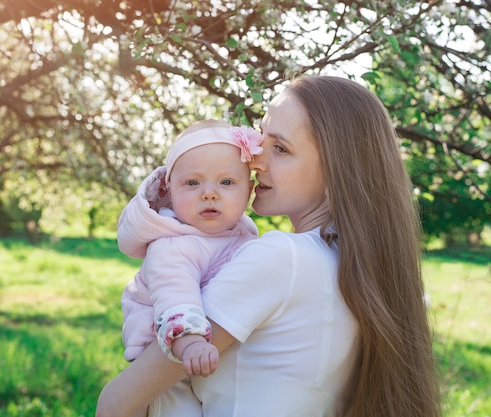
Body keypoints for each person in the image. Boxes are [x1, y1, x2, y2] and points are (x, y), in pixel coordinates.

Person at [96, 75, 442, 417]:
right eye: (260, 141)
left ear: (337, 170)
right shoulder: (354, 266)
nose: (255, 160)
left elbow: (117, 403)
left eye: (280, 149)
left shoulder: (281, 258)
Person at [117, 119, 263, 417]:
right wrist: (191, 343)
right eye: (192, 183)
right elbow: (175, 295)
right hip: (163, 357)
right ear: (170, 189)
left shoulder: (241, 233)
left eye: (226, 182)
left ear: (248, 191)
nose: (209, 193)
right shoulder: (173, 245)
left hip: (205, 355)